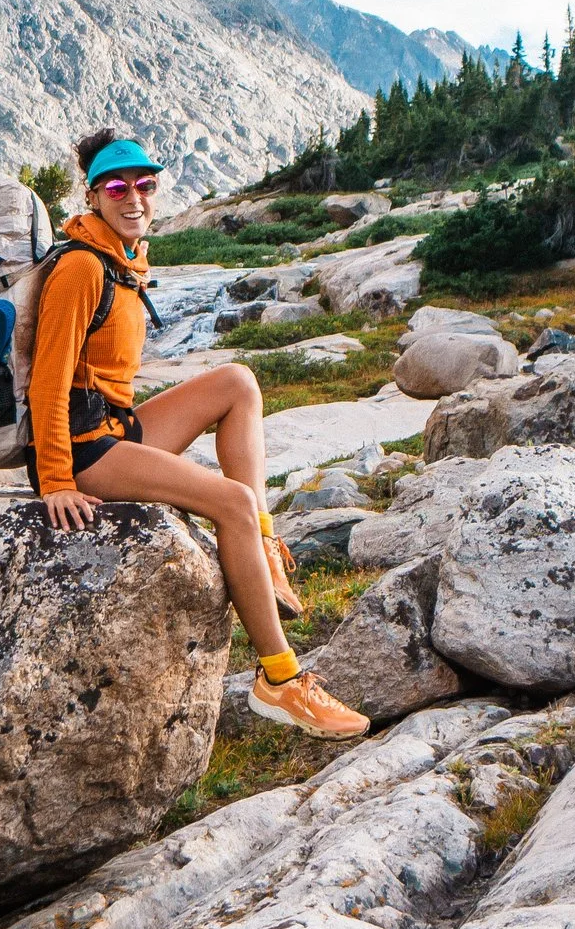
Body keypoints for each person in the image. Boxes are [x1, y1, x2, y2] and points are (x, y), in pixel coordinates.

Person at [26, 129, 370, 740]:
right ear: (94, 194)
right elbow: (48, 383)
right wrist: (54, 480)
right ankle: (281, 680)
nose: (133, 197)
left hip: (116, 429)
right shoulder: (81, 267)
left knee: (238, 381)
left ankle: (262, 547)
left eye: (145, 185)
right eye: (117, 187)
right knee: (231, 502)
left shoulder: (121, 257)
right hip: (84, 452)